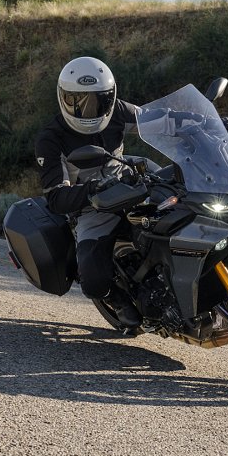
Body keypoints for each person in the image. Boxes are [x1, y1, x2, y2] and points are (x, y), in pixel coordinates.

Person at [34, 56, 142, 327]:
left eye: (98, 100)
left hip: (130, 182)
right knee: (93, 279)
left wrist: (203, 122)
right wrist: (92, 189)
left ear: (110, 96)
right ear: (63, 97)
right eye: (77, 101)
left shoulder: (118, 111)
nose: (88, 109)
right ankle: (115, 297)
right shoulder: (51, 138)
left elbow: (159, 121)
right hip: (92, 206)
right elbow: (57, 197)